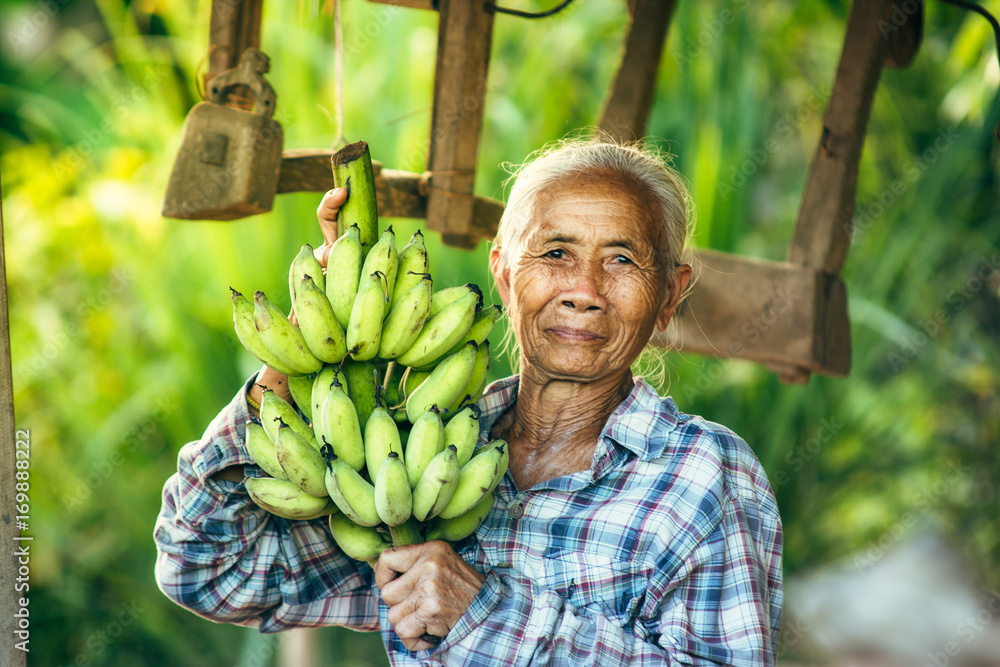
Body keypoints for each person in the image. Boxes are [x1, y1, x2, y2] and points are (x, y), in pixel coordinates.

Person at [154, 137, 783, 665]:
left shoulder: (704, 476)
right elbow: (206, 569)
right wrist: (302, 344)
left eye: (622, 259)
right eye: (556, 253)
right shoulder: (419, 450)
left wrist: (485, 614)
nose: (584, 290)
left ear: (670, 294)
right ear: (505, 272)